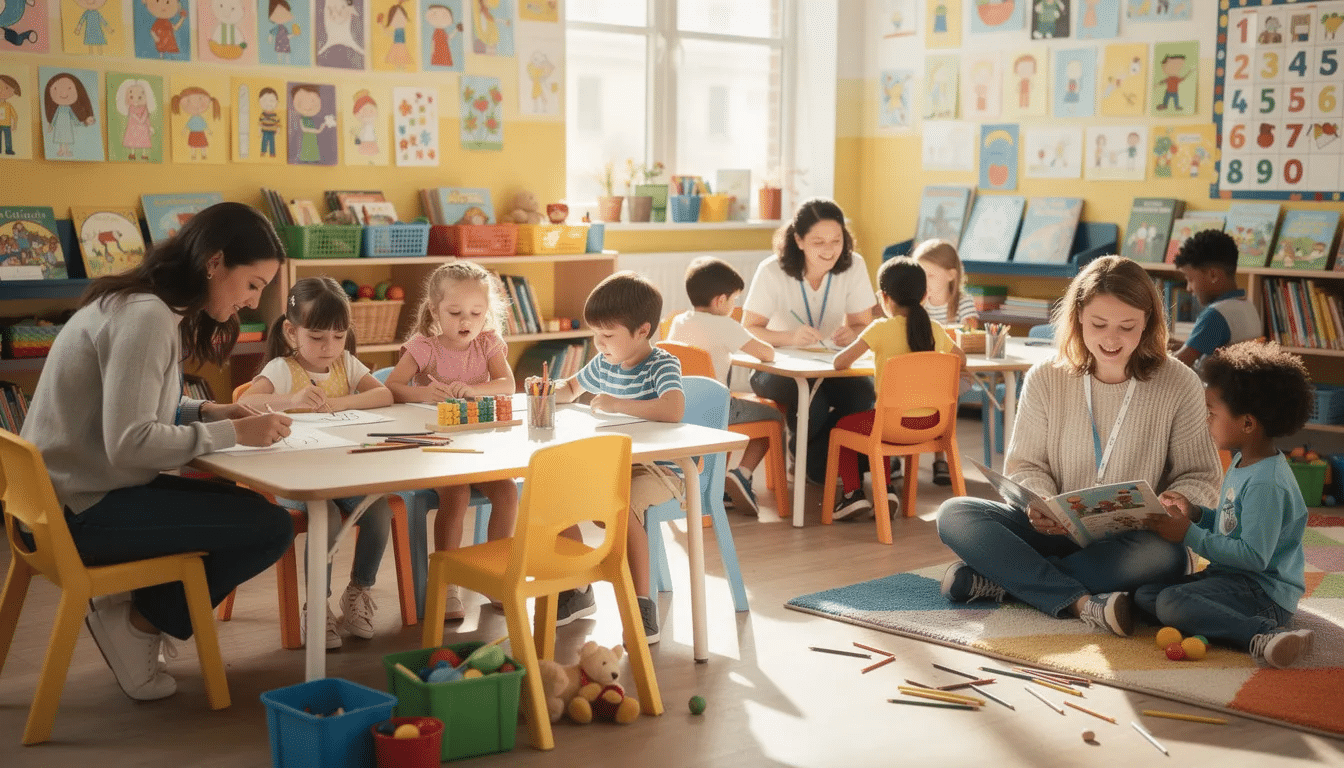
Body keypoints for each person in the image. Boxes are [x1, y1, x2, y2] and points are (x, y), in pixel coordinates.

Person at [19, 202, 295, 701]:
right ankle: (139, 625)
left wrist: (211, 413)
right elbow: (130, 445)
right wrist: (237, 435)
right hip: (80, 512)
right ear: (215, 263)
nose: (253, 303)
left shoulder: (138, 302)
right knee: (269, 527)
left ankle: (135, 615)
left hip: (55, 504)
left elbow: (140, 409)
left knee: (247, 508)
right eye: (252, 284)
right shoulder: (147, 319)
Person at [935, 255, 1221, 636]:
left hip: (1130, 542)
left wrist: (1176, 502)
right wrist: (1038, 501)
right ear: (1079, 318)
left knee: (1162, 557)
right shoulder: (1045, 377)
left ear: (1149, 324)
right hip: (1052, 532)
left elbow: (1201, 475)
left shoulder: (1179, 382)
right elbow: (1025, 464)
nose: (1111, 339)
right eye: (1099, 324)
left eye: (1127, 326)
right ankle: (1081, 601)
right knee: (955, 512)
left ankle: (1006, 583)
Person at [238, 277, 395, 649]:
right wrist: (292, 398)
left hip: (343, 470)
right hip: (295, 477)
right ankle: (317, 607)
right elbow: (248, 401)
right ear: (292, 332)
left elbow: (384, 394)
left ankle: (357, 591)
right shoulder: (281, 368)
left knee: (379, 512)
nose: (330, 348)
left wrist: (336, 403)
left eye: (339, 337)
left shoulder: (346, 364)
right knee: (322, 517)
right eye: (318, 337)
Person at [1138, 341, 1316, 668]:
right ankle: (1214, 622)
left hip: (1264, 593)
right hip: (1231, 580)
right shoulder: (1242, 461)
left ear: (1247, 423)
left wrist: (1188, 533)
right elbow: (1229, 524)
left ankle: (1262, 635)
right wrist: (1196, 514)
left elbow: (1254, 557)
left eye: (1212, 413)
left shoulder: (1267, 482)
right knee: (1147, 595)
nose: (1206, 420)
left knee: (1171, 602)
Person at [549, 271, 685, 643]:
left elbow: (673, 409)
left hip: (660, 471)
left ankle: (641, 604)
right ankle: (578, 592)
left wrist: (617, 404)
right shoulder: (605, 363)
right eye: (596, 333)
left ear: (642, 331)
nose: (599, 343)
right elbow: (572, 389)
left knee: (620, 509)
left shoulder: (662, 364)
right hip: (613, 468)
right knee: (556, 500)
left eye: (608, 336)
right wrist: (548, 390)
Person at [384, 261, 518, 621]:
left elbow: (508, 384)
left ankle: (495, 576)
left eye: (476, 313)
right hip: (438, 452)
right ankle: (448, 584)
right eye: (455, 312)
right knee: (456, 495)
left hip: (482, 451)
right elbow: (391, 387)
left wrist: (474, 390)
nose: (466, 322)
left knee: (506, 492)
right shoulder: (424, 348)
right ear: (434, 310)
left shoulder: (487, 343)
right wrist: (424, 393)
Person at [742, 198, 877, 485]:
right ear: (799, 240)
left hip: (829, 364)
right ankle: (808, 460)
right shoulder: (772, 271)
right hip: (775, 368)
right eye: (818, 242)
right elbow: (749, 330)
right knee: (814, 403)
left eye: (836, 240)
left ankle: (816, 462)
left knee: (862, 396)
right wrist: (789, 337)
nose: (829, 250)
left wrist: (852, 333)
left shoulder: (853, 267)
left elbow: (862, 324)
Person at [831, 258, 965, 520]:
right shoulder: (935, 330)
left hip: (893, 426)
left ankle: (852, 494)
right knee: (878, 424)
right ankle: (887, 491)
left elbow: (839, 363)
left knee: (845, 425)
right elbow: (961, 359)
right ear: (925, 296)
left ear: (884, 297)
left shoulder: (880, 329)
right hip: (933, 424)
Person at [666, 257, 779, 515]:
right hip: (716, 411)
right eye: (734, 300)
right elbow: (766, 353)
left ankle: (719, 488)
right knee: (773, 417)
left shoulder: (679, 321)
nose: (734, 305)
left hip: (682, 407)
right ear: (720, 300)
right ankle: (742, 473)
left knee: (739, 405)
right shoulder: (725, 325)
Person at [912, 238, 980, 486]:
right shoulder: (921, 302)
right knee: (920, 406)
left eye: (930, 274)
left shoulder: (962, 302)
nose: (924, 281)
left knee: (945, 410)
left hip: (952, 371)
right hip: (924, 369)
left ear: (951, 275)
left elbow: (969, 329)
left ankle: (941, 458)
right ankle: (915, 455)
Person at [1171, 229, 1262, 369]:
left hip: (1209, 388)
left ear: (1213, 274)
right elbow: (1205, 346)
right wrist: (1177, 345)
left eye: (1190, 279)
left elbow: (1178, 365)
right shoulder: (1247, 306)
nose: (1189, 288)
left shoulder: (1215, 316)